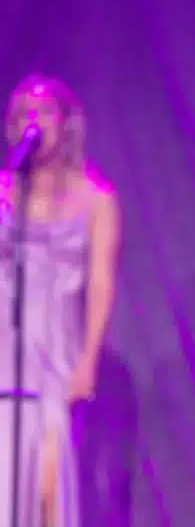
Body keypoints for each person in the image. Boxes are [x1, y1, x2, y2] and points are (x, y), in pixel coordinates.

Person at [0, 75, 121, 527]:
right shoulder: (3, 194)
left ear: (65, 122)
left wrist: (88, 359)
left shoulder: (96, 200)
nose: (32, 122)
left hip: (56, 354)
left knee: (48, 483)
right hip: (6, 351)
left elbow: (101, 283)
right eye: (21, 114)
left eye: (43, 112)